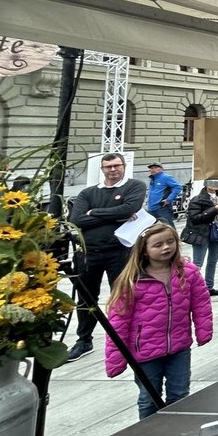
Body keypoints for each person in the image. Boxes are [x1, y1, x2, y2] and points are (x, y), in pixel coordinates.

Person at [104, 222, 213, 418]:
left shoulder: (188, 272)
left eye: (170, 241)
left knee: (180, 393)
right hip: (145, 352)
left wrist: (203, 331)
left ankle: (175, 428)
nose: (166, 247)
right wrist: (116, 359)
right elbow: (118, 322)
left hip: (179, 347)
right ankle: (147, 432)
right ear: (144, 250)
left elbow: (201, 303)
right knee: (149, 397)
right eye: (158, 244)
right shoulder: (132, 280)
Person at [65, 153, 147, 362]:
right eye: (108, 166)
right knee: (86, 298)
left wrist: (93, 212)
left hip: (119, 251)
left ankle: (124, 338)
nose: (112, 170)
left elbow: (129, 209)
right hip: (88, 253)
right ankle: (84, 340)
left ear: (124, 166)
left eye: (116, 166)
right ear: (102, 169)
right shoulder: (88, 192)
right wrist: (115, 216)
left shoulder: (134, 186)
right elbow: (77, 220)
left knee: (122, 295)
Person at [180, 184, 218, 296]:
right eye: (211, 182)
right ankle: (193, 288)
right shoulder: (197, 199)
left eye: (217, 182)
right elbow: (195, 218)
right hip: (201, 233)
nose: (215, 184)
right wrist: (215, 209)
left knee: (213, 261)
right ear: (205, 184)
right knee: (198, 263)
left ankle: (209, 287)